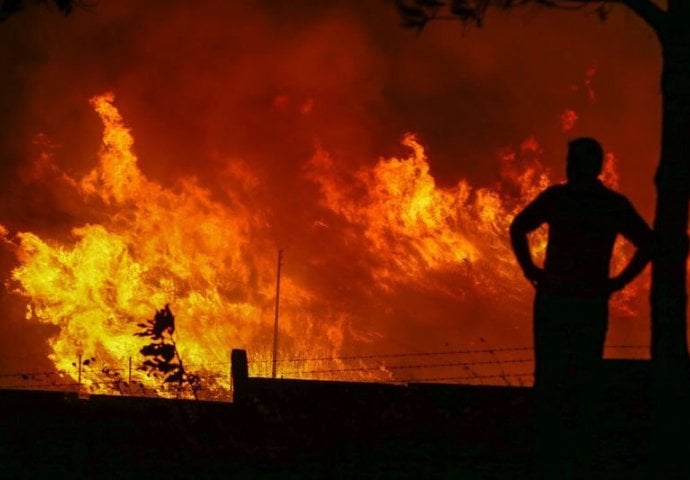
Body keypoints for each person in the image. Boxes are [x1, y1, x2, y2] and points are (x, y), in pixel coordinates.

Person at [509, 137, 652, 475]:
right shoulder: (611, 204)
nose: (568, 165)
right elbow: (648, 244)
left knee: (550, 375)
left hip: (557, 299)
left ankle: (550, 452)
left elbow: (518, 228)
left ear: (575, 164)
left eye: (571, 160)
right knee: (584, 374)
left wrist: (531, 270)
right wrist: (618, 282)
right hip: (588, 301)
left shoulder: (560, 198)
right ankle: (577, 452)